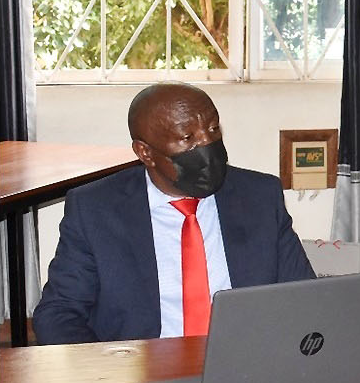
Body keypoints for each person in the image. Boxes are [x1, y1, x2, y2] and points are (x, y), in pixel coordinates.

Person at [32, 83, 317, 344]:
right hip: (138, 371)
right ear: (145, 153)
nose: (207, 145)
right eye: (188, 138)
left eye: (214, 129)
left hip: (245, 363)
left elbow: (305, 299)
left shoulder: (259, 196)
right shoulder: (96, 209)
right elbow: (59, 314)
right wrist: (106, 379)